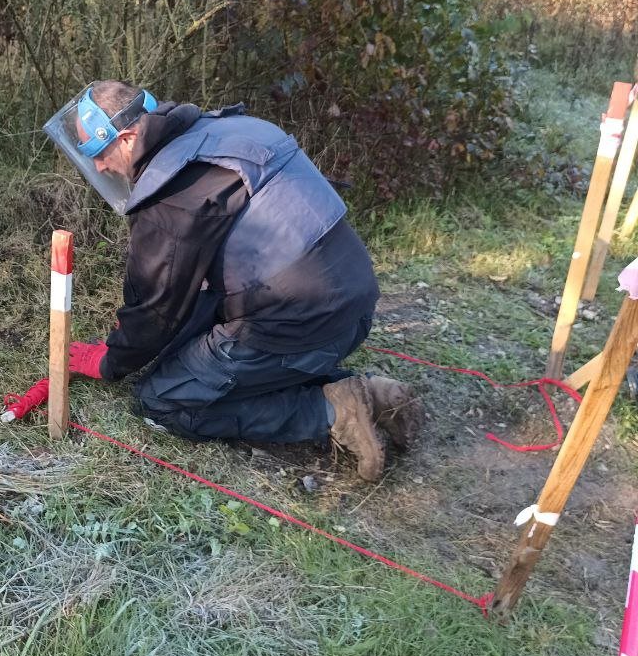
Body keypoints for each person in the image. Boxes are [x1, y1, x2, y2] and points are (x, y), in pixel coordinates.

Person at [43, 81, 422, 481]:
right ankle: (376, 396)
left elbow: (155, 310)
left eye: (98, 154)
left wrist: (112, 360)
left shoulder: (171, 194)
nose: (100, 167)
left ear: (129, 137)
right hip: (356, 308)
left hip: (301, 325)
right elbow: (203, 287)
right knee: (203, 352)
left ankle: (333, 411)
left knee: (164, 398)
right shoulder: (231, 130)